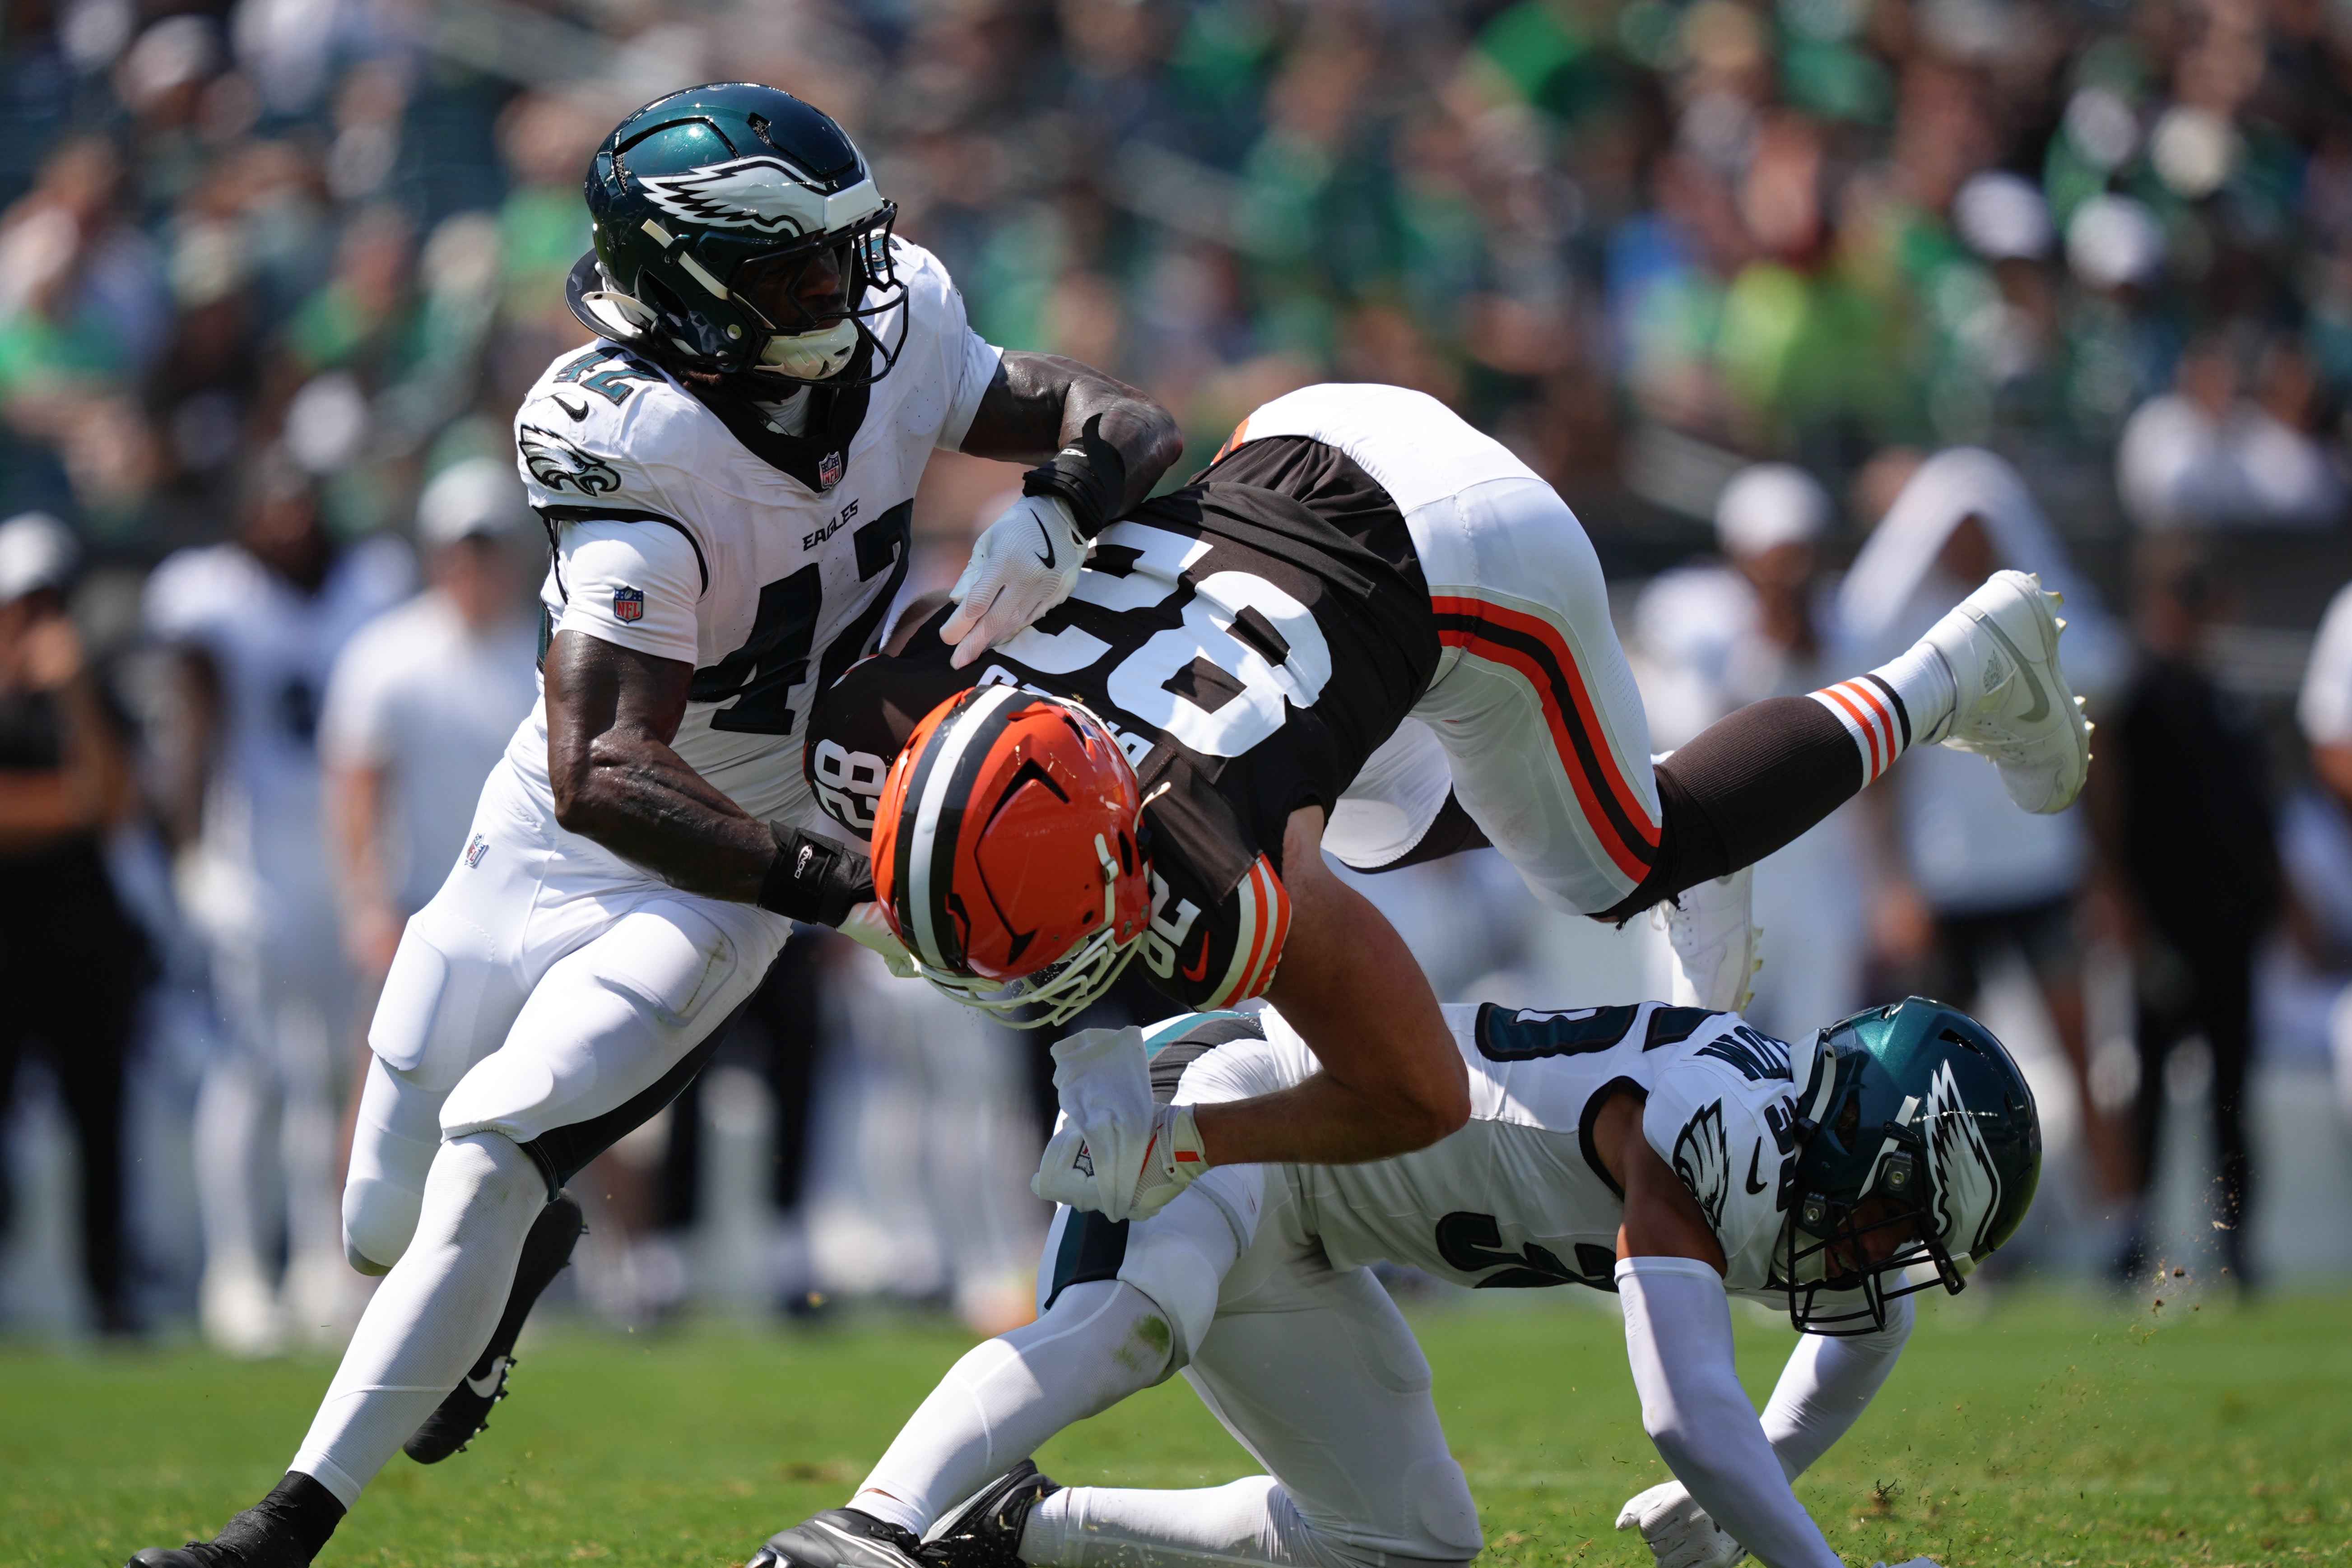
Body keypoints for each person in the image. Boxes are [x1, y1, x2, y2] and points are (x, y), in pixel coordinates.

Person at [128, 82, 1178, 1568]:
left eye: (847, 255)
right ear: (695, 285)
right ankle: (511, 1273)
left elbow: (1127, 415)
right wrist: (854, 893)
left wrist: (1063, 502)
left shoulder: (901, 333)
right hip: (563, 837)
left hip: (722, 876)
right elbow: (603, 770)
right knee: (378, 1218)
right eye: (799, 274)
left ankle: (284, 1527)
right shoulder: (630, 435)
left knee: (497, 1145)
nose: (848, 294)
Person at [810, 382, 2092, 1224]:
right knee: (1371, 821)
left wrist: (1186, 1144)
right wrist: (1065, 499)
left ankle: (1966, 668)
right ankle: (1708, 797)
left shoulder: (1211, 850)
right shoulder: (889, 714)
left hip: (1461, 548)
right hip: (1297, 433)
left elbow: (1415, 1092)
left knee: (1619, 860)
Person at [748, 993, 2041, 1568]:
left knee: (1408, 1537)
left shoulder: (1808, 1165)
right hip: (1241, 1102)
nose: (1881, 1259)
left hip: (1315, 1226)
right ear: (1859, 1145)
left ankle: (1019, 1529)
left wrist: (1756, 1484)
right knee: (1130, 1324)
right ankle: (859, 1532)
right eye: (1891, 1220)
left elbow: (1864, 1335)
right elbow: (1680, 1411)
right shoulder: (1722, 1133)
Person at [145, 453, 416, 1355]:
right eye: (276, 503)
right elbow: (194, 726)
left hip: (341, 862)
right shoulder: (213, 597)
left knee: (334, 1079)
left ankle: (317, 1263)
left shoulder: (367, 586)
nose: (292, 519)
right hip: (253, 856)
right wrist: (192, 854)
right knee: (253, 1067)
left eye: (303, 500)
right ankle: (234, 1270)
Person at [1835, 448, 2135, 1213]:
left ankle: (2122, 1229)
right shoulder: (1903, 631)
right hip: (1948, 882)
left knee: (2082, 1051)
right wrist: (1894, 885)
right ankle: (1953, 1230)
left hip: (2041, 869)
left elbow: (2095, 739)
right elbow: (1882, 777)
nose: (1966, 546)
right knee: (1938, 1075)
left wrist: (2104, 874)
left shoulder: (2045, 623)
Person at [2095, 539, 2278, 1285]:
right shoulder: (2136, 693)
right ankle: (2135, 1235)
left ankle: (2234, 1242)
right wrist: (2122, 905)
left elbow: (2252, 815)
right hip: (2166, 923)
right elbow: (2111, 813)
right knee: (2152, 1093)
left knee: (2231, 1091)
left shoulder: (2225, 696)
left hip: (2230, 924)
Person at [1632, 463, 1869, 1040]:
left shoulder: (1847, 626)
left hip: (1820, 883)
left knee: (1820, 1058)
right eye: (1773, 556)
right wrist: (1765, 649)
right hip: (1712, 879)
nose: (1789, 573)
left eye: (1800, 554)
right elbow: (1688, 740)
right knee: (1691, 1057)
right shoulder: (1691, 620)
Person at [0, 512, 149, 1334]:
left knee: (103, 1120)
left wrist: (74, 693)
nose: (38, 618)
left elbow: (119, 803)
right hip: (10, 937)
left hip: (87, 942)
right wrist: (72, 805)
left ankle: (110, 1295)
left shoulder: (91, 694)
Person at [319, 458, 540, 991]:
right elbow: (356, 787)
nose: (474, 570)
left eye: (490, 553)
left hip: (533, 912)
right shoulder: (386, 656)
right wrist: (367, 908)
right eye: (460, 553)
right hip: (419, 911)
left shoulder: (554, 656)